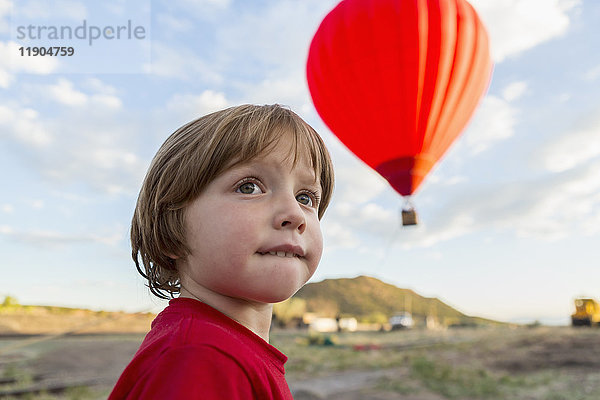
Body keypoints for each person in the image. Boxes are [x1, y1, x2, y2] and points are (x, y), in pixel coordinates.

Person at [109, 104, 334, 399]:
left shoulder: (218, 351)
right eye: (249, 188)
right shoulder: (199, 358)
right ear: (171, 233)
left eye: (305, 197)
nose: (295, 213)